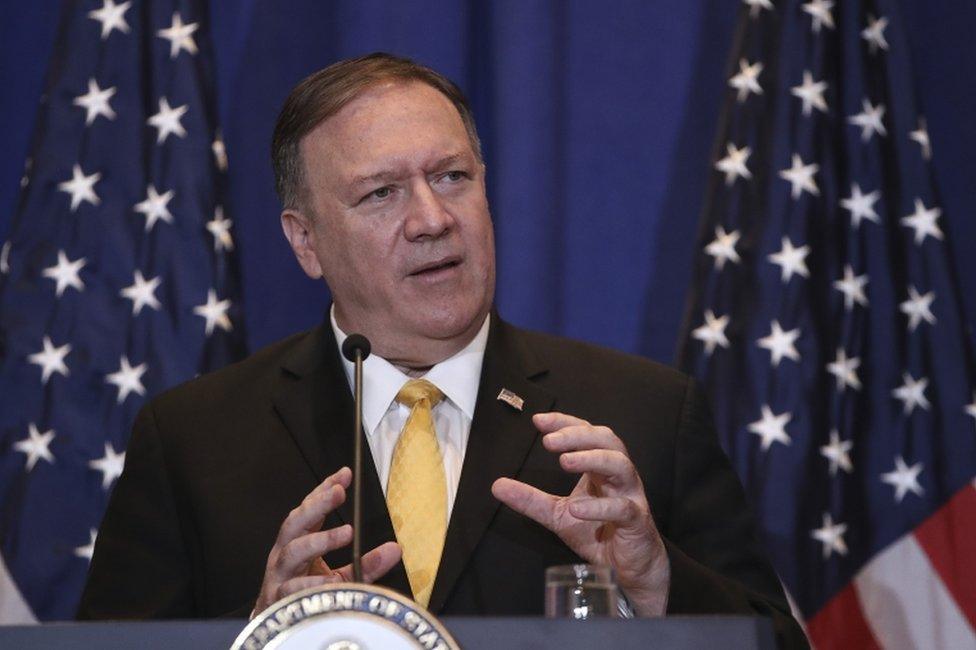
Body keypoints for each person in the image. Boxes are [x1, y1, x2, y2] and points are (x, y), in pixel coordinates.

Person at [78, 53, 806, 647]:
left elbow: (774, 643)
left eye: (452, 177)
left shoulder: (642, 415)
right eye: (382, 194)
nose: (432, 219)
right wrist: (255, 638)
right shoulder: (193, 441)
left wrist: (658, 584)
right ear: (306, 241)